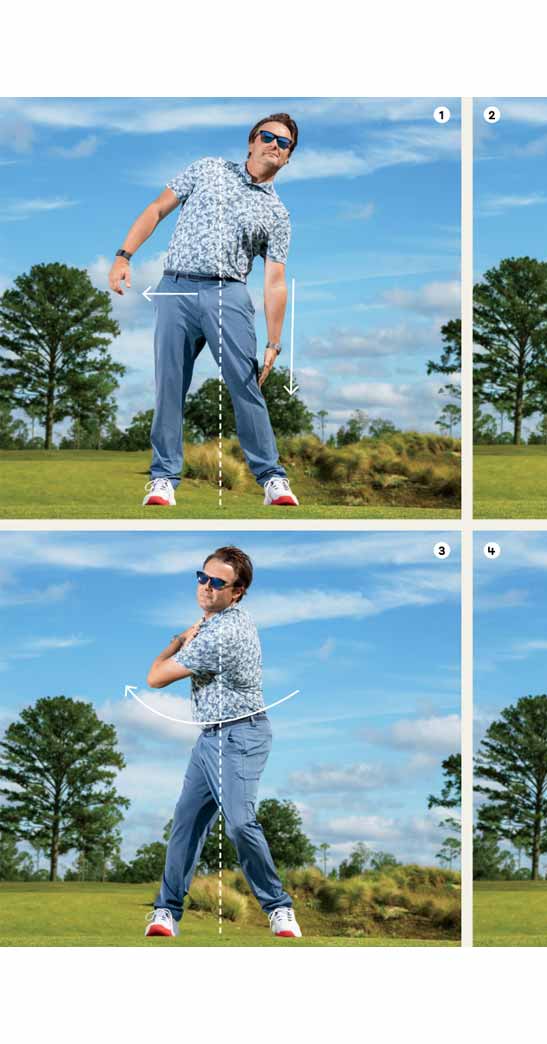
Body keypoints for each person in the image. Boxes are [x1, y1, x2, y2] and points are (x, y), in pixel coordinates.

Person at [109, 114, 300, 507]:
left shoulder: (278, 214)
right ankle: (163, 480)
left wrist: (275, 342)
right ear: (251, 141)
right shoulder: (207, 169)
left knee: (245, 385)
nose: (274, 146)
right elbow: (156, 210)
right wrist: (124, 255)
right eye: (268, 137)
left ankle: (272, 479)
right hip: (174, 288)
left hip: (228, 294)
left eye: (284, 144)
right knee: (169, 385)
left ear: (288, 159)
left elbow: (275, 281)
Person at [143, 545, 301, 938]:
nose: (206, 587)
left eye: (217, 583)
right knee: (185, 824)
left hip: (241, 733)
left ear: (237, 591)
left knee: (239, 821)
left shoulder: (222, 633)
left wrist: (178, 640)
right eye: (202, 577)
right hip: (210, 738)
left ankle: (279, 909)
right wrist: (189, 634)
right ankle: (166, 912)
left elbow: (155, 677)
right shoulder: (214, 624)